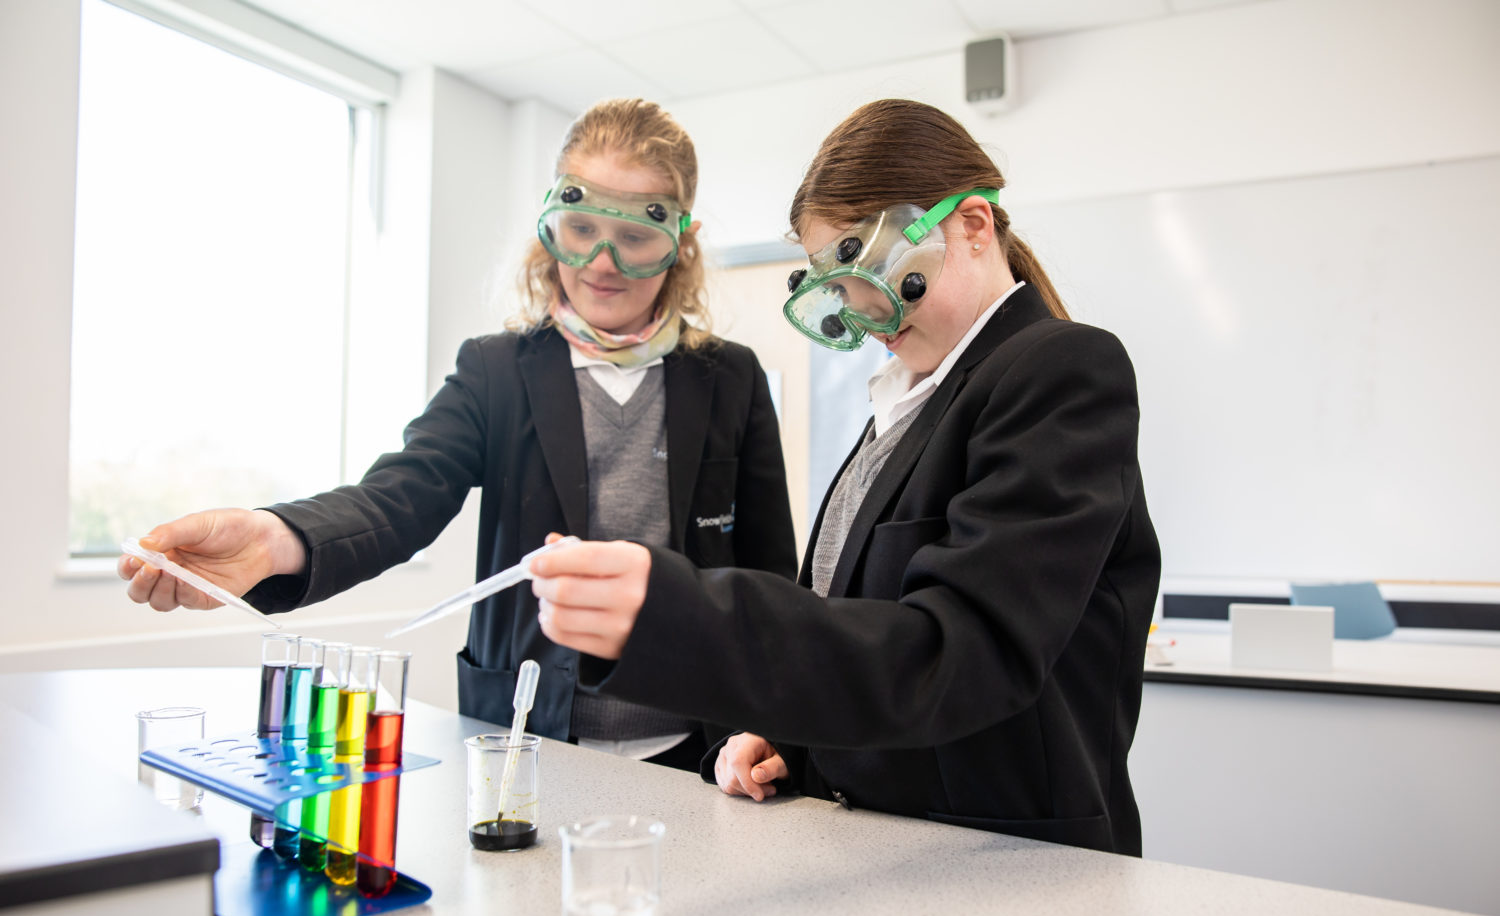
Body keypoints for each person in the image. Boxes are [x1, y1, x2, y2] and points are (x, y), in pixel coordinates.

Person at [528, 98, 1161, 854]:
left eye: (872, 260)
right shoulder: (905, 401)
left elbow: (958, 654)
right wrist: (790, 741)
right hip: (887, 852)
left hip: (1012, 863)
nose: (867, 308)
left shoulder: (1060, 370)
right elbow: (859, 627)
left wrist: (678, 613)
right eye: (837, 276)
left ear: (972, 227)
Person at [118, 98, 798, 771]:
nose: (602, 261)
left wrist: (770, 727)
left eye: (635, 237)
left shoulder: (729, 378)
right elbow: (397, 499)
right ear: (550, 224)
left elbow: (769, 577)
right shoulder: (497, 370)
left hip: (702, 745)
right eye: (581, 228)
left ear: (682, 240)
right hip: (527, 738)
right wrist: (273, 538)